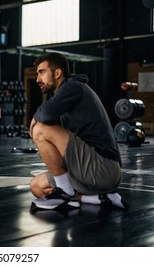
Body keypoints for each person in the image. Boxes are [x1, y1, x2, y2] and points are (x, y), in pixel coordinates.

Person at [29, 52, 128, 211]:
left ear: (58, 72)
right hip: (91, 172)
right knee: (37, 187)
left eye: (42, 72)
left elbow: (44, 115)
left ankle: (65, 194)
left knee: (40, 129)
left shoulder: (72, 87)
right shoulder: (67, 94)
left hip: (103, 168)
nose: (37, 79)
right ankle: (99, 199)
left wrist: (34, 119)